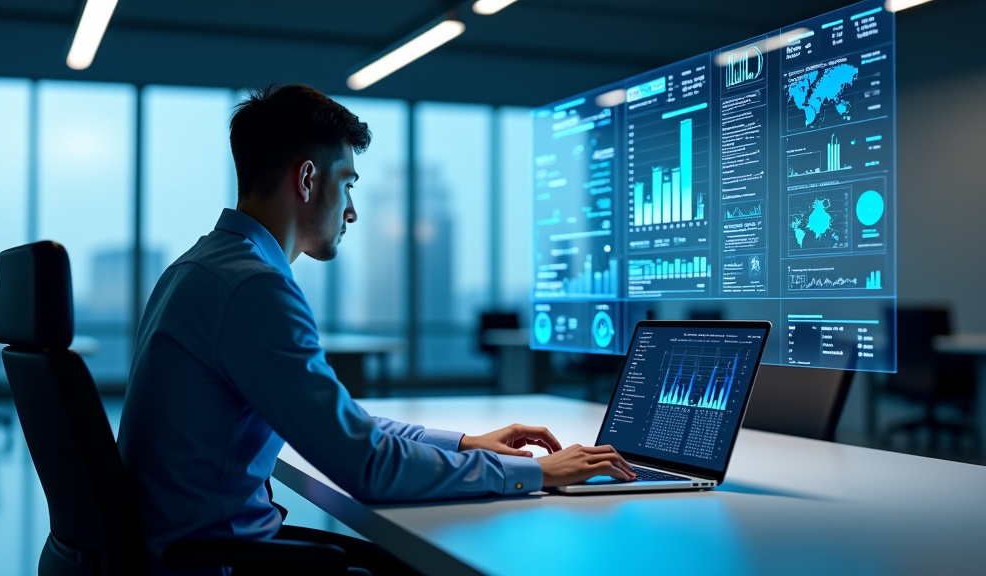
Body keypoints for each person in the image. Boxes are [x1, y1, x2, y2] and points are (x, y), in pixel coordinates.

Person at [117, 83, 634, 575]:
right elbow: (366, 465)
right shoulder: (254, 288)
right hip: (218, 563)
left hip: (190, 548)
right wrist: (538, 473)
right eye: (347, 183)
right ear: (306, 180)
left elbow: (342, 424)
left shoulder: (198, 268)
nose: (352, 211)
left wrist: (465, 442)